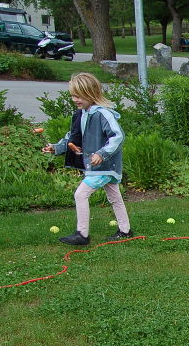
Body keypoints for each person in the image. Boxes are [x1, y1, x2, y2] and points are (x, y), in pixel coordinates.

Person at [42, 72, 132, 245]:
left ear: (90, 93)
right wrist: (56, 148)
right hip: (96, 166)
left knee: (80, 194)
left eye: (78, 96)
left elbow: (117, 136)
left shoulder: (103, 114)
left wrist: (101, 153)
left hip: (104, 165)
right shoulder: (81, 114)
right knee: (115, 197)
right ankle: (125, 230)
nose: (75, 99)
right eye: (73, 96)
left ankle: (82, 234)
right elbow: (73, 138)